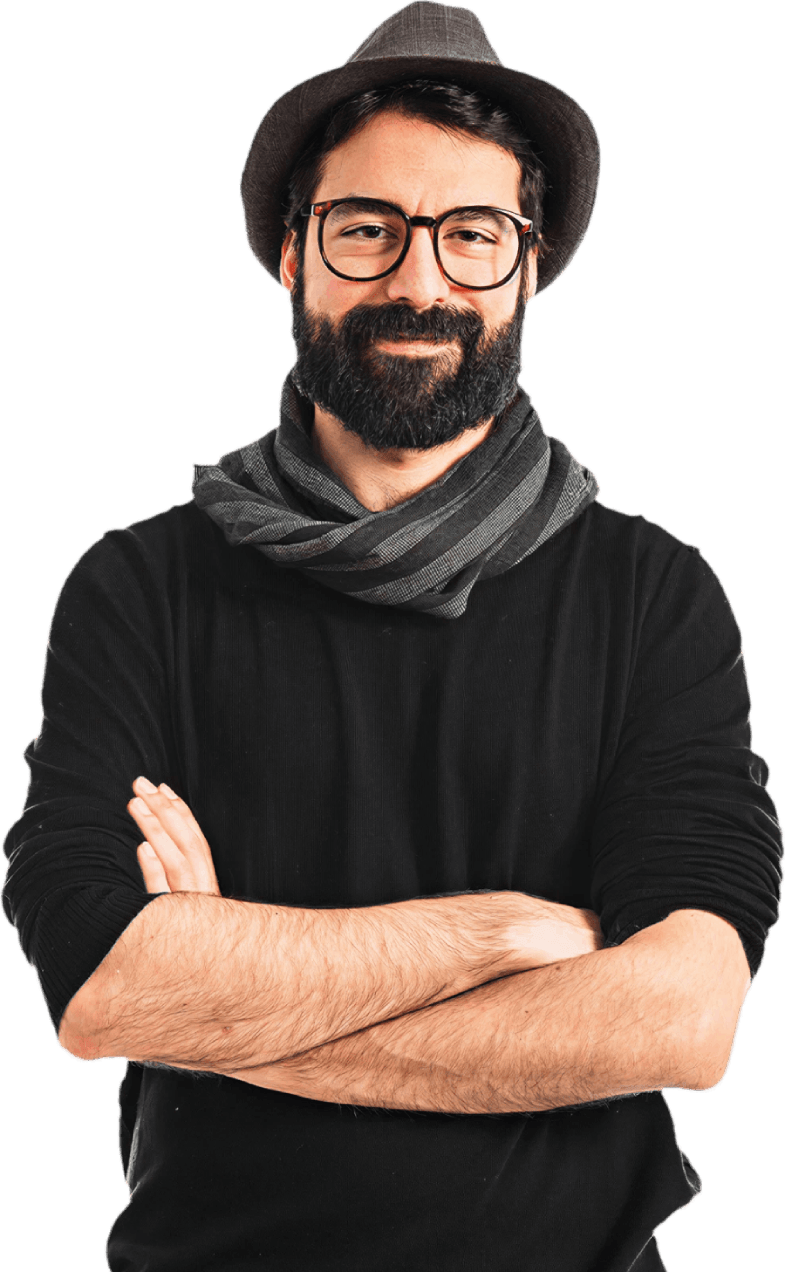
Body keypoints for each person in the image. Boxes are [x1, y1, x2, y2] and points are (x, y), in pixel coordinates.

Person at [2, 2, 782, 1269]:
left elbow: (683, 1020)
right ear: (291, 254)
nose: (418, 282)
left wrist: (227, 1003)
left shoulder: (652, 594)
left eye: (470, 234)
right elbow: (99, 990)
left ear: (526, 268)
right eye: (365, 229)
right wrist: (497, 937)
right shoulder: (140, 586)